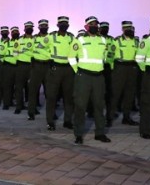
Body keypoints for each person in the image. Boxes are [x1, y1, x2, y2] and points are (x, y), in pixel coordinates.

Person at [68, 16, 111, 144]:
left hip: (98, 77)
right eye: (91, 24)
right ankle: (79, 134)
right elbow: (71, 57)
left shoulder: (103, 40)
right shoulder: (79, 40)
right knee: (81, 106)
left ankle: (100, 133)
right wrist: (79, 72)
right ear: (86, 26)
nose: (94, 26)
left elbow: (105, 57)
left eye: (96, 24)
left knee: (99, 106)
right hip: (83, 77)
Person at [44, 16, 75, 131]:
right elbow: (41, 48)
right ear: (57, 25)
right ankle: (50, 121)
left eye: (65, 23)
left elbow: (76, 51)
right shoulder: (51, 37)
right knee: (52, 96)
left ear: (68, 25)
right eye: (61, 23)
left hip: (68, 70)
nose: (64, 25)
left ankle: (67, 121)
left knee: (68, 97)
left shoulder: (72, 38)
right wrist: (49, 58)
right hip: (55, 69)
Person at [108, 21, 139, 126]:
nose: (129, 30)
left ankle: (126, 117)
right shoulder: (116, 41)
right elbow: (110, 56)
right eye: (126, 28)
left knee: (130, 94)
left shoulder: (136, 41)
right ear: (122, 29)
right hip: (119, 68)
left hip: (132, 68)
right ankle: (109, 118)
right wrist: (113, 69)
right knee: (115, 94)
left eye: (130, 28)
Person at [27, 19, 50, 120]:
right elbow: (30, 51)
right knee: (33, 90)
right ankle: (31, 113)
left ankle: (51, 113)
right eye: (42, 26)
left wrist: (41, 52)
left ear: (47, 27)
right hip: (36, 66)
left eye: (45, 26)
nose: (44, 27)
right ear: (39, 27)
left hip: (48, 66)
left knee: (49, 91)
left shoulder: (51, 38)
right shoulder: (34, 38)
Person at [14, 21, 34, 114]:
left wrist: (25, 52)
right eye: (27, 27)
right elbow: (15, 52)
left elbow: (37, 52)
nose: (29, 29)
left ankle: (32, 107)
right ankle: (19, 106)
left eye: (31, 27)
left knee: (31, 88)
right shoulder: (19, 40)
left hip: (31, 66)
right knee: (19, 87)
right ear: (24, 29)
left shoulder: (36, 40)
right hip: (21, 65)